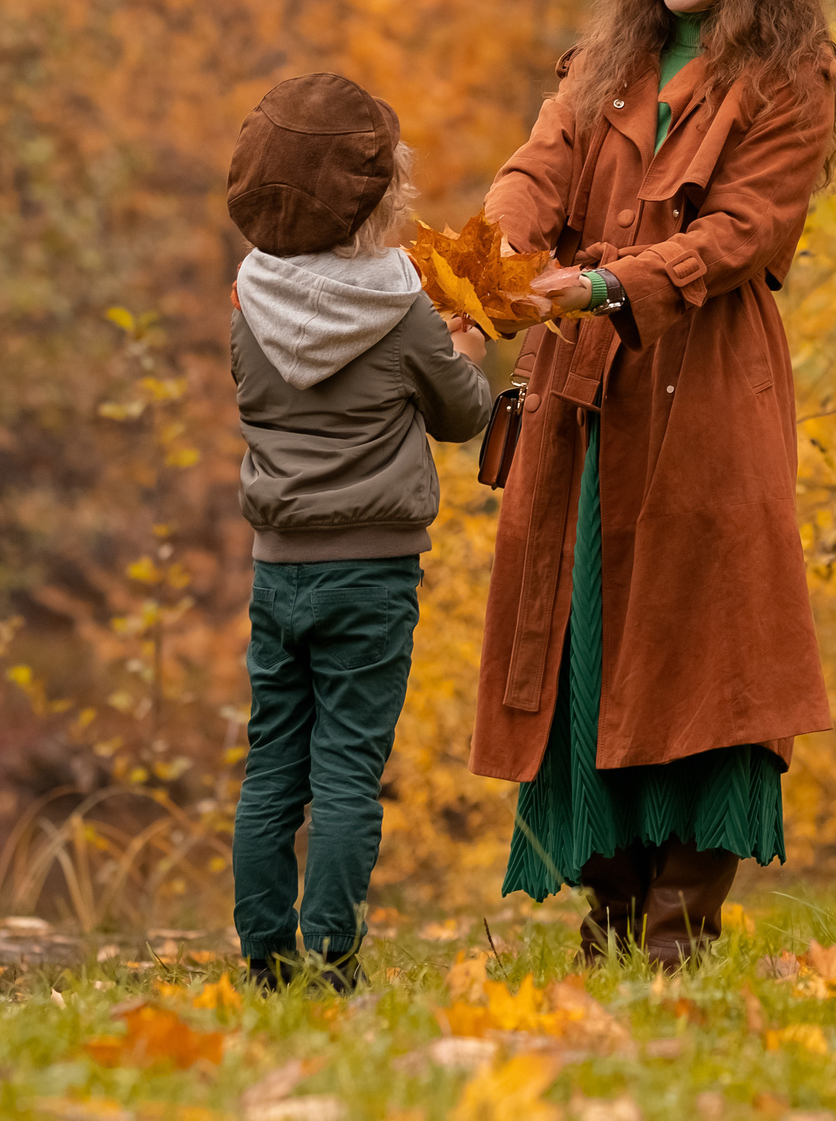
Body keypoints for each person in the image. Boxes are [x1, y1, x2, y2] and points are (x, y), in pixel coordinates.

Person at [471, 0, 836, 967]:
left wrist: (598, 288)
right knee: (579, 645)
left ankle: (681, 931)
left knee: (705, 655)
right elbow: (536, 170)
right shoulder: (608, 63)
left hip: (708, 407)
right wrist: (492, 253)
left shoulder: (791, 79)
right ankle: (612, 916)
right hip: (583, 413)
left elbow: (742, 234)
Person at [225, 72, 493, 990]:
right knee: (345, 773)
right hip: (372, 575)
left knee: (272, 770)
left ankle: (265, 959)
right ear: (374, 198)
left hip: (276, 573)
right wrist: (466, 350)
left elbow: (261, 400)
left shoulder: (249, 305)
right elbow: (463, 415)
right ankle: (333, 960)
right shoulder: (400, 307)